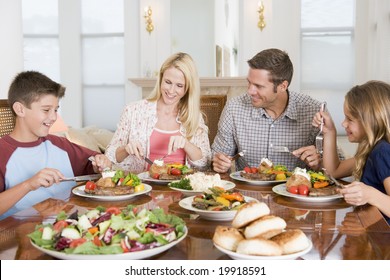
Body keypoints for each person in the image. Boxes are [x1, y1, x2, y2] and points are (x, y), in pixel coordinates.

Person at [0, 71, 112, 220]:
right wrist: (28, 185)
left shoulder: (60, 145)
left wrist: (100, 163)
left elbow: (94, 162)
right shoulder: (3, 152)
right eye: (46, 110)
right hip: (20, 235)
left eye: (56, 110)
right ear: (20, 109)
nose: (53, 117)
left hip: (70, 226)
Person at [212, 48, 324, 173]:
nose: (250, 91)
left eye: (259, 86)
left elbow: (336, 166)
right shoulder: (234, 108)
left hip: (295, 190)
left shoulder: (313, 111)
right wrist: (218, 162)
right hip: (246, 190)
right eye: (249, 83)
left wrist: (320, 162)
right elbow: (217, 156)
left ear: (282, 86)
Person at [105, 52, 211, 173]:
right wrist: (126, 149)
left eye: (179, 85)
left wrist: (186, 144)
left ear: (187, 89)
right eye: (168, 82)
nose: (171, 91)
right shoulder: (133, 111)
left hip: (181, 186)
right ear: (161, 79)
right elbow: (110, 155)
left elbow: (206, 162)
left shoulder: (194, 118)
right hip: (144, 186)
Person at [313, 80, 390, 224]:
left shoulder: (383, 152)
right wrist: (330, 131)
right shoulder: (371, 151)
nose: (344, 123)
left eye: (350, 119)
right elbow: (333, 171)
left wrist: (371, 195)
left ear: (371, 121)